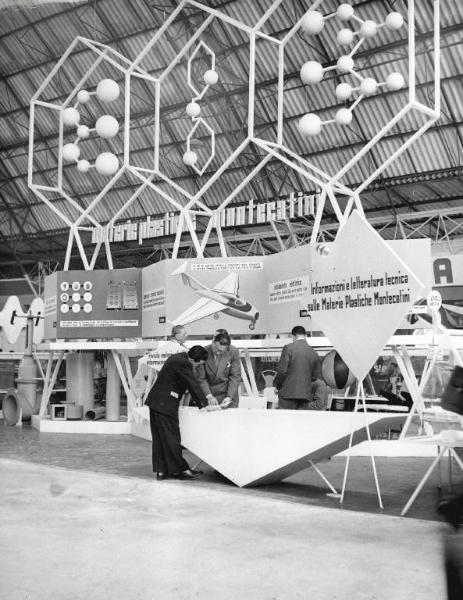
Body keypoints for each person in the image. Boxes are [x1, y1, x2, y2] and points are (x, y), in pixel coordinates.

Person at [145, 345, 214, 481]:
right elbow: (192, 384)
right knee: (172, 437)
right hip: (165, 404)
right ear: (194, 359)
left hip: (156, 402)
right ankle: (181, 470)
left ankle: (162, 471)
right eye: (199, 363)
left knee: (160, 438)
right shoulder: (183, 363)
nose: (199, 366)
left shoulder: (178, 358)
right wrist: (203, 405)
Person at [274, 325, 321, 410]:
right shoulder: (313, 352)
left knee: (285, 421)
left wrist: (277, 386)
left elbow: (282, 371)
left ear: (293, 336)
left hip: (287, 395)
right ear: (305, 336)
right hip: (305, 396)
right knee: (300, 422)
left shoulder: (288, 348)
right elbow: (314, 377)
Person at [196, 331, 241, 408]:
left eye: (221, 351)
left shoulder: (234, 352)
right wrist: (209, 396)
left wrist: (229, 397)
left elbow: (235, 376)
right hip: (209, 395)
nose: (218, 353)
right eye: (216, 349)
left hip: (228, 395)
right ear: (213, 342)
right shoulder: (203, 351)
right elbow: (201, 378)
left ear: (227, 348)